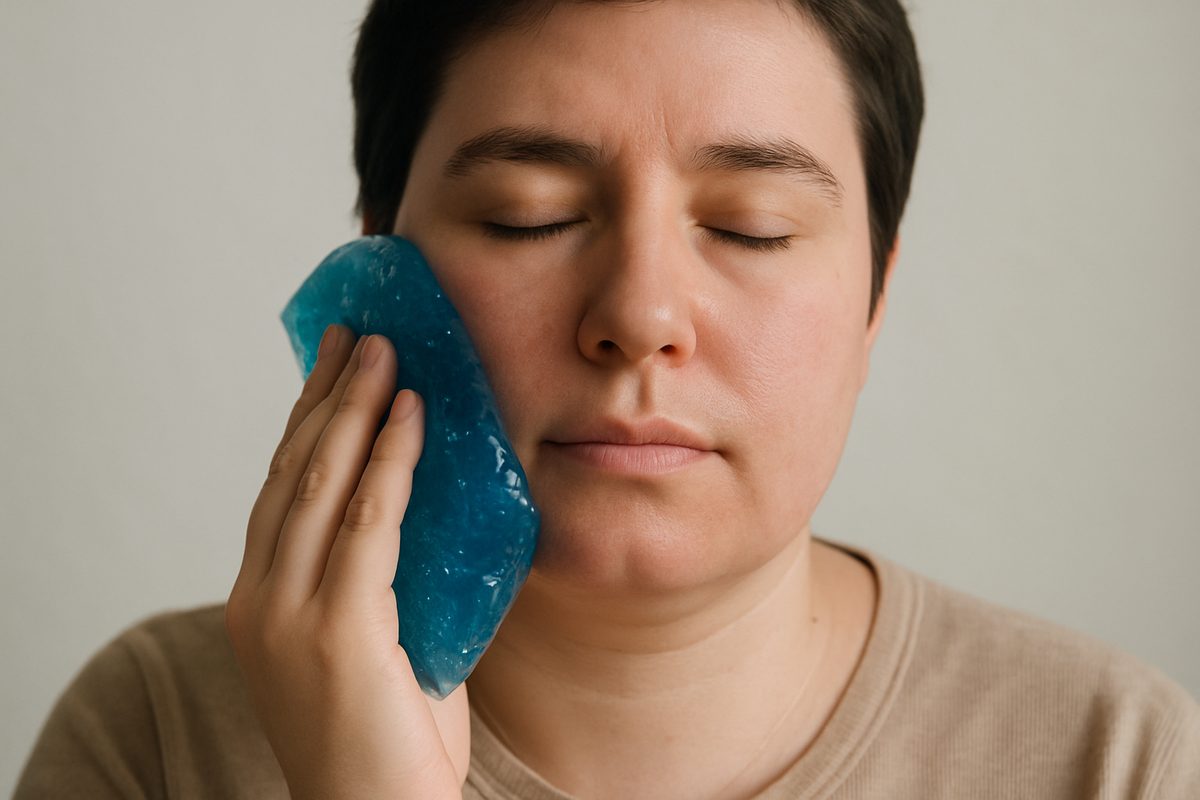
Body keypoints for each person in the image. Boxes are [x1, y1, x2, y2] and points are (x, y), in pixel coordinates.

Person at [15, 1, 1199, 798]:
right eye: (528, 214)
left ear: (877, 294)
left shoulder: (1114, 756)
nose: (640, 312)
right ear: (379, 266)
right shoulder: (156, 738)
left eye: (752, 227)